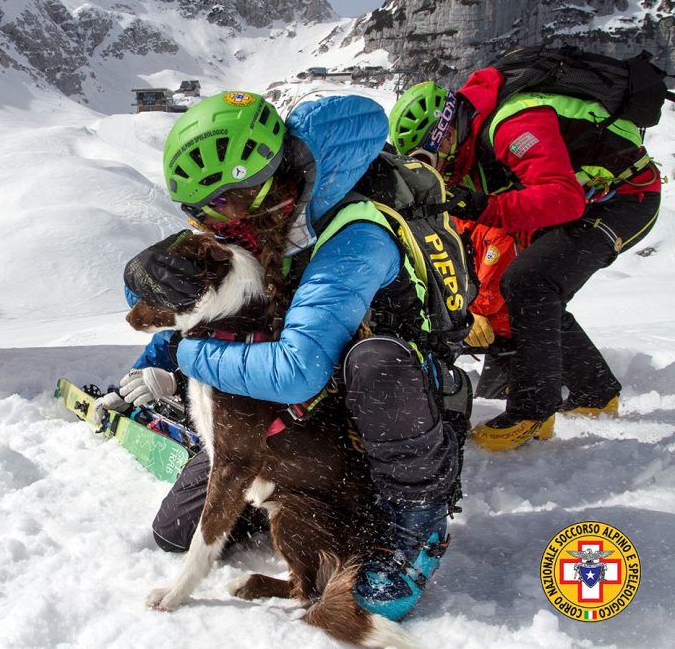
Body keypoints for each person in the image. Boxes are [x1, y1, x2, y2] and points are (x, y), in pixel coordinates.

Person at [98, 91, 463, 621]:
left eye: (220, 206)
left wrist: (189, 360)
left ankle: (415, 520)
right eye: (196, 211)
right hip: (299, 421)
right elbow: (206, 302)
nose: (211, 224)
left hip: (380, 410)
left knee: (376, 360)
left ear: (264, 182)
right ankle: (279, 493)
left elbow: (297, 371)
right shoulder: (261, 222)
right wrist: (148, 298)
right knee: (175, 531)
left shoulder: (355, 232)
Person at [389, 72, 660, 451]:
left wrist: (481, 206)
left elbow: (563, 199)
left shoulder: (513, 126)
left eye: (425, 158)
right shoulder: (471, 147)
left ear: (443, 135)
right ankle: (595, 391)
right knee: (533, 290)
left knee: (531, 283)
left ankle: (533, 411)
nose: (432, 170)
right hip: (588, 199)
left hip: (625, 199)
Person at [455, 218, 522, 402]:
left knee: (491, 403)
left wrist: (468, 314)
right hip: (481, 324)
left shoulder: (498, 232)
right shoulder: (453, 224)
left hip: (507, 332)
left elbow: (490, 293)